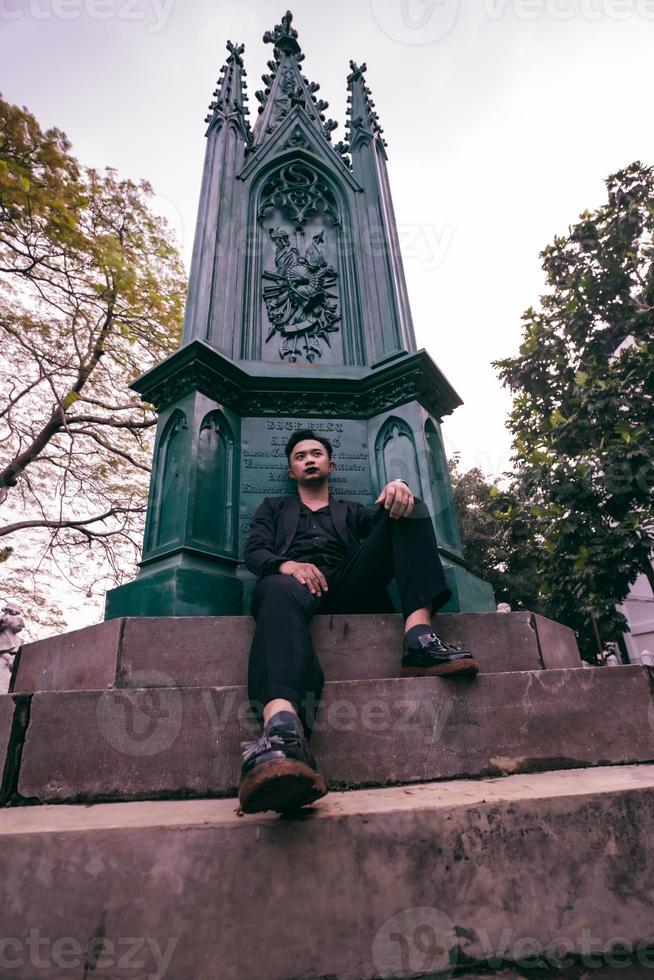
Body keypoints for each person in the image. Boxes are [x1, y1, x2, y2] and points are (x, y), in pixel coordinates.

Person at [239, 429, 478, 814]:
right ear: (291, 470)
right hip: (295, 585)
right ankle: (282, 733)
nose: (309, 459)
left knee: (409, 506)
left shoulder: (352, 511)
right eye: (300, 456)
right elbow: (256, 551)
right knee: (272, 589)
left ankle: (418, 638)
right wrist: (287, 565)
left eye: (316, 453)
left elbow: (388, 527)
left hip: (351, 582)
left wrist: (399, 487)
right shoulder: (273, 509)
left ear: (331, 465)